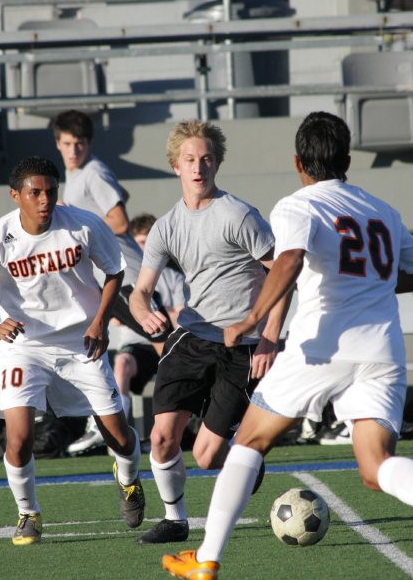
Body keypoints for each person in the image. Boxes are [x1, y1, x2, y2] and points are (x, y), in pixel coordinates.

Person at [160, 111, 413, 580]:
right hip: (382, 352)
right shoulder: (382, 209)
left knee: (248, 441)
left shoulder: (297, 205)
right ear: (347, 159)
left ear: (297, 162)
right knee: (374, 466)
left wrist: (250, 318)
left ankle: (206, 559)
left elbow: (287, 262)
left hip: (320, 347)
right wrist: (372, 282)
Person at [0, 156, 145, 546]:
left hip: (81, 342)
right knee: (18, 438)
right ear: (15, 195)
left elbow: (114, 273)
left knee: (119, 436)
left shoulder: (84, 224)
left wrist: (99, 322)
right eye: (35, 192)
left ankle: (128, 479)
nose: (44, 199)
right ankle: (27, 512)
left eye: (51, 191)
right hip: (23, 347)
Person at [129, 119, 287, 545]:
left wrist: (270, 336)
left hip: (241, 345)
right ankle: (175, 520)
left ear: (216, 164)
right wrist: (144, 313)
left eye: (206, 160)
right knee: (162, 438)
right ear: (175, 166)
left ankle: (243, 454)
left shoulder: (239, 215)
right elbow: (140, 292)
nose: (199, 167)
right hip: (192, 337)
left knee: (206, 457)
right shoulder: (165, 227)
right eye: (189, 160)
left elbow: (283, 275)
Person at [52, 110, 174, 455]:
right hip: (106, 279)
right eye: (66, 144)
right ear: (57, 144)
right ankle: (102, 422)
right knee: (95, 348)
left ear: (89, 144)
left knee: (169, 349)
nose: (73, 150)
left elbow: (119, 221)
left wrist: (73, 215)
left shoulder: (93, 171)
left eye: (79, 143)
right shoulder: (78, 176)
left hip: (127, 279)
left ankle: (207, 413)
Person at [66, 213, 185, 456]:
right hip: (137, 349)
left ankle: (177, 427)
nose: (143, 248)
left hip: (165, 344)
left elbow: (181, 316)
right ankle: (117, 429)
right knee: (120, 363)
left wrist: (146, 311)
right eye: (139, 242)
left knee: (176, 367)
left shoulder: (172, 278)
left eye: (147, 242)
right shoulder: (125, 269)